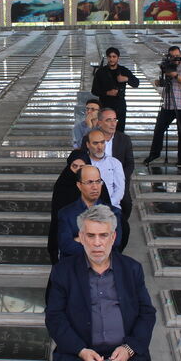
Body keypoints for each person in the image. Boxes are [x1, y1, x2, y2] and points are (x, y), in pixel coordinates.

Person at [45, 204, 158, 361]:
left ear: (113, 237)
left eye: (103, 235)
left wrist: (129, 348)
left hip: (124, 351)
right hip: (81, 352)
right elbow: (54, 317)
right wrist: (80, 350)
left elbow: (147, 313)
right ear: (80, 237)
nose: (97, 243)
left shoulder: (131, 269)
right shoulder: (63, 271)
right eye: (91, 235)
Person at [56, 165, 122, 260]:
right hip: (74, 265)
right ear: (79, 185)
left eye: (98, 181)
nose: (95, 187)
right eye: (89, 182)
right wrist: (101, 243)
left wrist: (80, 239)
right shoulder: (66, 213)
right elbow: (66, 246)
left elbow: (115, 243)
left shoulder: (114, 212)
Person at [144, 49, 181, 166]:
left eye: (177, 55)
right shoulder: (167, 65)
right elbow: (165, 83)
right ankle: (154, 154)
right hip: (168, 104)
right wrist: (160, 82)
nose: (175, 58)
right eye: (172, 56)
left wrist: (175, 75)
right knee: (158, 129)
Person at [97, 108, 134, 249]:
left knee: (126, 203)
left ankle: (117, 230)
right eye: (108, 120)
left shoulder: (124, 140)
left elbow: (130, 164)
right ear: (100, 122)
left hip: (118, 181)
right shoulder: (91, 138)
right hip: (97, 182)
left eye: (115, 120)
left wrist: (119, 178)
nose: (113, 124)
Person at [49, 151, 94, 264]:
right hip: (69, 238)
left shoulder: (96, 184)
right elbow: (57, 218)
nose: (78, 170)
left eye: (82, 167)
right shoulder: (62, 185)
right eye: (75, 166)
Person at [91, 47, 139, 132]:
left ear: (118, 58)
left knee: (119, 131)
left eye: (114, 57)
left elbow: (136, 83)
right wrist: (107, 93)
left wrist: (126, 79)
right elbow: (94, 90)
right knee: (105, 130)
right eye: (110, 57)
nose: (111, 59)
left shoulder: (123, 71)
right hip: (105, 105)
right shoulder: (101, 72)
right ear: (107, 57)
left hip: (120, 106)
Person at [85, 130, 125, 209]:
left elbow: (119, 190)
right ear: (88, 145)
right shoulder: (82, 163)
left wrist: (107, 204)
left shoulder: (115, 163)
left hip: (110, 207)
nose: (100, 147)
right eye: (95, 143)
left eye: (102, 142)